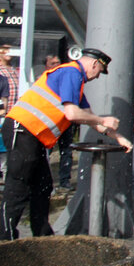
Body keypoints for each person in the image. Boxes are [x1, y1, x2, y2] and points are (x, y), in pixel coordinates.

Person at [0, 48, 133, 240]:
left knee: (42, 186)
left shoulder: (76, 83)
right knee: (18, 187)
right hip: (23, 130)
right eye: (99, 71)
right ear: (94, 64)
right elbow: (72, 114)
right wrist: (103, 120)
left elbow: (90, 119)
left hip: (33, 136)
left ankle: (43, 236)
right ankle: (5, 240)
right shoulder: (71, 73)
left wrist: (119, 138)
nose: (97, 77)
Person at [44, 54, 78, 190]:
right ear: (47, 66)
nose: (56, 66)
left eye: (58, 63)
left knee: (66, 152)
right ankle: (45, 181)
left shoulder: (67, 80)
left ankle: (64, 181)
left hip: (65, 122)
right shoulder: (44, 80)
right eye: (53, 64)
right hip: (50, 123)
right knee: (46, 152)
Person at [0, 46, 20, 112]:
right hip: (3, 110)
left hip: (15, 109)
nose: (9, 53)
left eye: (11, 50)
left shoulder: (14, 69)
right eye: (6, 50)